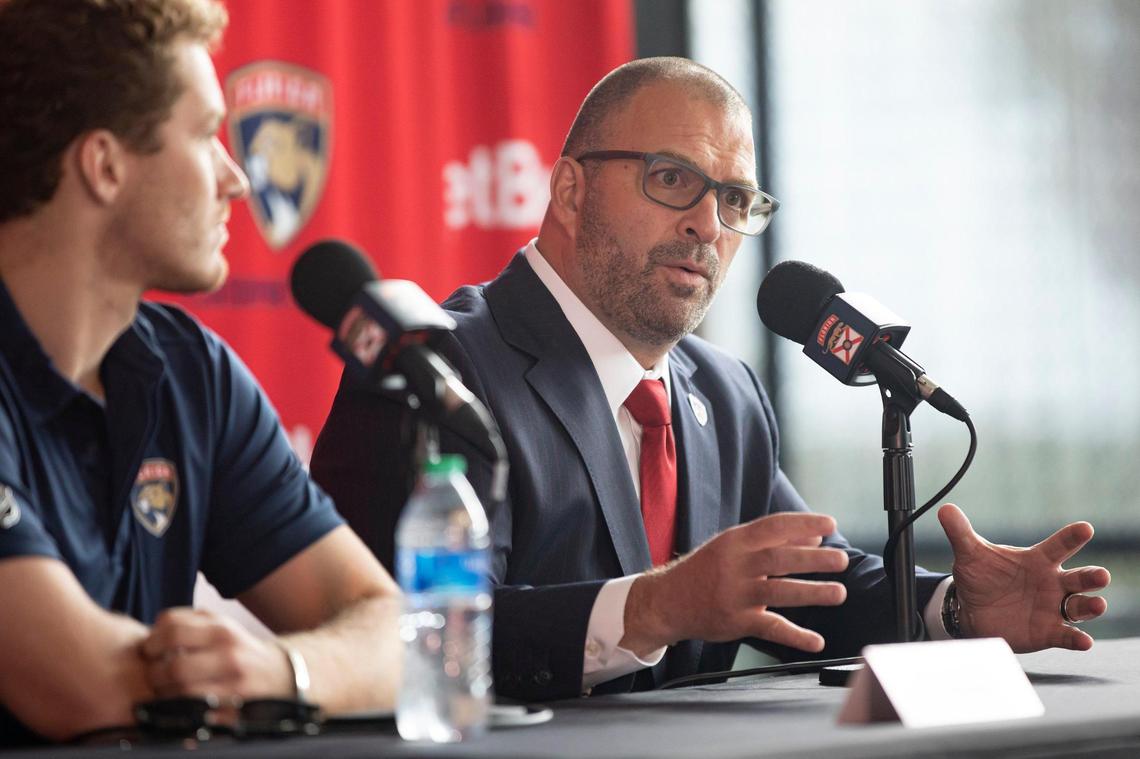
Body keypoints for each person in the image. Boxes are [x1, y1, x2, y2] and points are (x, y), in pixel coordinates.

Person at [310, 57, 1110, 701]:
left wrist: (958, 608)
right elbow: (420, 637)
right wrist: (657, 605)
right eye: (670, 179)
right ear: (569, 190)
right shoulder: (441, 372)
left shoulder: (724, 394)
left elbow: (808, 582)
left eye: (734, 200)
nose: (706, 224)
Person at [0, 0, 401, 745]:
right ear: (104, 165)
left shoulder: (193, 372)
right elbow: (80, 685)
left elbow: (394, 630)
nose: (237, 178)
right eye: (208, 133)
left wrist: (283, 671)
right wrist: (255, 675)